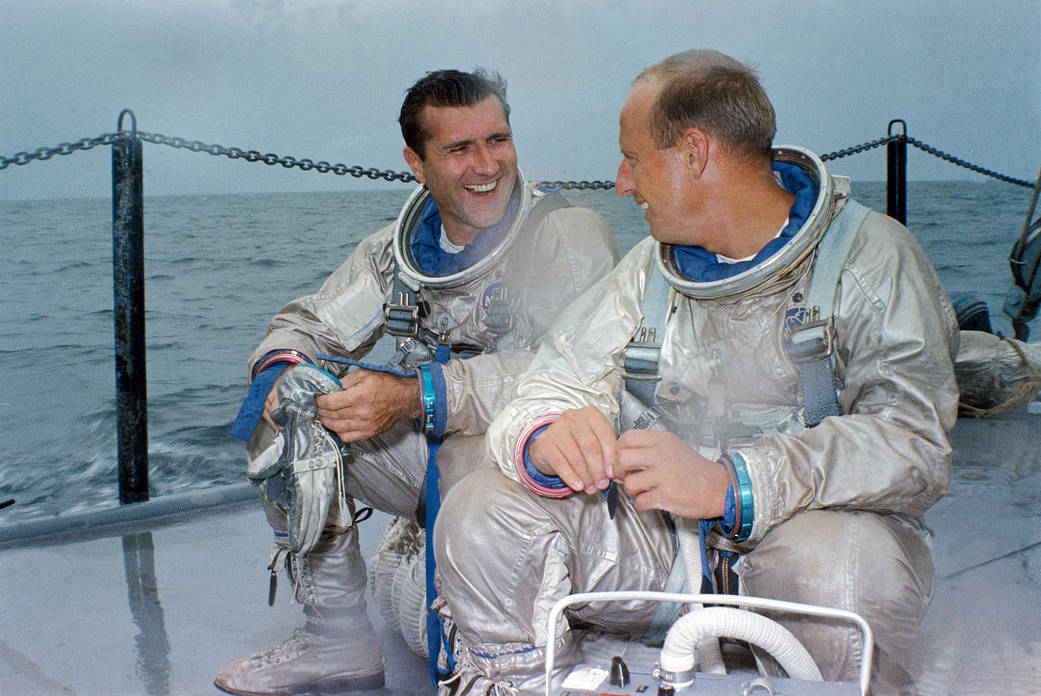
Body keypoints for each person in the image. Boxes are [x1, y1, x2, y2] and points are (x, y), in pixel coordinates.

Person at [434, 49, 958, 695]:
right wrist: (545, 434)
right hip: (665, 553)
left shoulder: (871, 260)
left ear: (692, 153)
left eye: (632, 158)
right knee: (482, 510)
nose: (622, 183)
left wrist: (730, 485)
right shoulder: (646, 272)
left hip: (802, 549)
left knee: (840, 568)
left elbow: (912, 443)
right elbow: (553, 379)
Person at [215, 68, 618, 696]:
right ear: (416, 162)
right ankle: (336, 639)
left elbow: (573, 372)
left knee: (456, 623)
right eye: (459, 148)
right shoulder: (395, 254)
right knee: (284, 416)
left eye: (498, 140)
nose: (487, 164)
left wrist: (412, 395)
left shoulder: (566, 237)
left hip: (541, 469)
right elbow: (303, 325)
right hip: (437, 460)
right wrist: (282, 372)